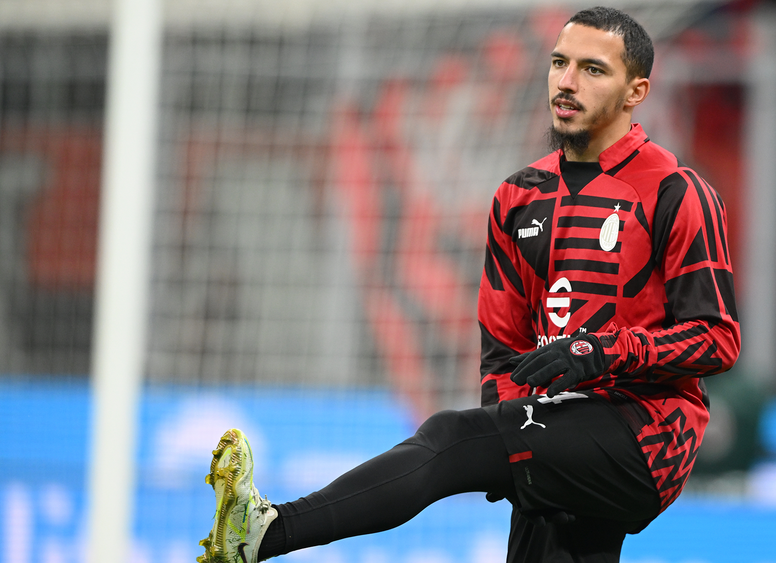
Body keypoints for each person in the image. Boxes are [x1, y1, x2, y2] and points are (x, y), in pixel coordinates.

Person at [196, 6, 739, 563]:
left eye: (593, 69)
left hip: (645, 434)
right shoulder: (519, 195)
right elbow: (502, 349)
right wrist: (509, 428)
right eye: (559, 63)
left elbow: (718, 339)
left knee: (452, 439)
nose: (568, 81)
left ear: (636, 91)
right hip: (554, 429)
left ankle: (268, 530)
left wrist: (601, 352)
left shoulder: (676, 191)